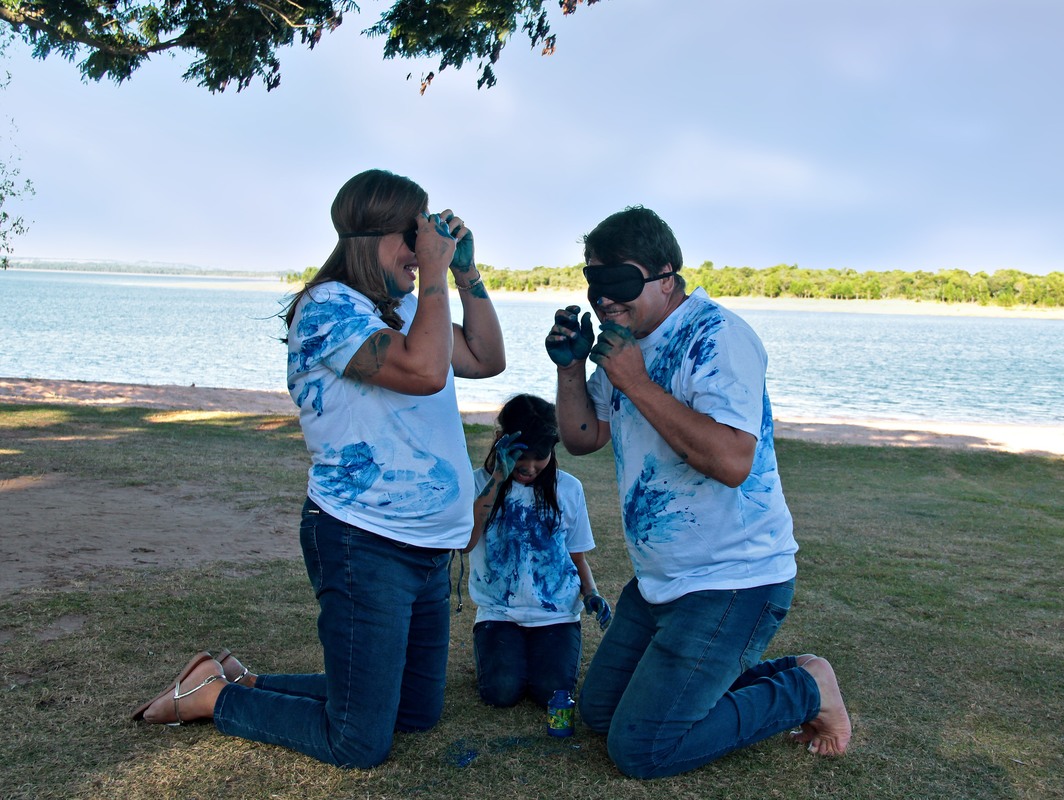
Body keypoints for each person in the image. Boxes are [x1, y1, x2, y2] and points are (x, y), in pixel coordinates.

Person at [130, 168, 506, 769]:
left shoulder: (409, 307)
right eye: (415, 234)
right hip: (365, 541)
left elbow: (487, 359)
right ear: (376, 234)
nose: (420, 250)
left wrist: (463, 271)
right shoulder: (327, 308)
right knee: (359, 741)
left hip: (428, 545)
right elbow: (424, 372)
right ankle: (212, 699)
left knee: (416, 713)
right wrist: (433, 275)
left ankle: (241, 681)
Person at [543, 206, 852, 779]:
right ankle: (775, 675)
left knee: (641, 749)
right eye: (593, 282)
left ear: (666, 276)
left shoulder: (719, 337)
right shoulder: (625, 342)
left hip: (734, 578)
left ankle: (806, 689)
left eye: (619, 282)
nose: (603, 299)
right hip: (661, 581)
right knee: (598, 713)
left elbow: (732, 461)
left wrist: (635, 381)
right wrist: (570, 369)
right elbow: (583, 438)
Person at [462, 393, 611, 708]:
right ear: (501, 441)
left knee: (551, 693)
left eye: (539, 457)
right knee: (501, 693)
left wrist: (592, 593)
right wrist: (498, 480)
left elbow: (576, 554)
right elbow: (466, 542)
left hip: (556, 614)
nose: (529, 468)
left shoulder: (568, 488)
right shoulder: (477, 483)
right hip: (499, 613)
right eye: (521, 457)